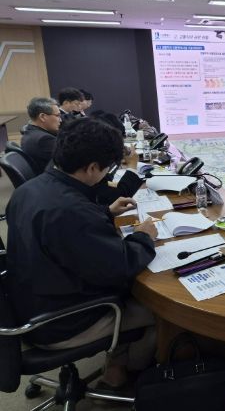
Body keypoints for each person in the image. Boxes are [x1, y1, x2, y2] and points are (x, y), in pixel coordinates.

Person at [6, 118, 159, 388]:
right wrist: (145, 236)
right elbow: (119, 267)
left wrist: (105, 212)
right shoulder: (71, 212)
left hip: (26, 304)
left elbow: (61, 237)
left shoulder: (30, 190)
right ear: (91, 167)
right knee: (161, 312)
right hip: (62, 323)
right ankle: (127, 376)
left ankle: (117, 365)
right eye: (107, 169)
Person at [21, 97, 61, 174]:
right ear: (42, 117)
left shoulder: (30, 131)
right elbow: (69, 160)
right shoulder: (44, 139)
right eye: (57, 116)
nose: (60, 120)